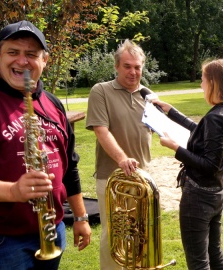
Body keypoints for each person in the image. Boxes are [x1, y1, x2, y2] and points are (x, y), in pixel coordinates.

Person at [0, 20, 91, 269]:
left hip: (52, 230)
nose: (22, 61)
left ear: (45, 60)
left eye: (31, 54)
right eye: (13, 52)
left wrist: (80, 216)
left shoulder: (53, 104)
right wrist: (12, 191)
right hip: (4, 242)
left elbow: (70, 166)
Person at [153, 59, 223, 270]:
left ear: (212, 82)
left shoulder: (215, 117)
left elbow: (210, 164)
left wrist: (176, 148)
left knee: (198, 263)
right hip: (215, 193)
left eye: (202, 80)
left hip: (199, 197)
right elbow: (200, 131)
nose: (201, 85)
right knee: (215, 255)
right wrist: (171, 111)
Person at [86, 39, 153, 270]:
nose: (133, 72)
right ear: (116, 66)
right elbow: (101, 130)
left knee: (142, 233)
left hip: (143, 178)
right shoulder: (101, 91)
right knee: (115, 236)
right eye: (127, 66)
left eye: (137, 67)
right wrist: (122, 159)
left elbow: (164, 131)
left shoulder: (148, 95)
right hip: (113, 177)